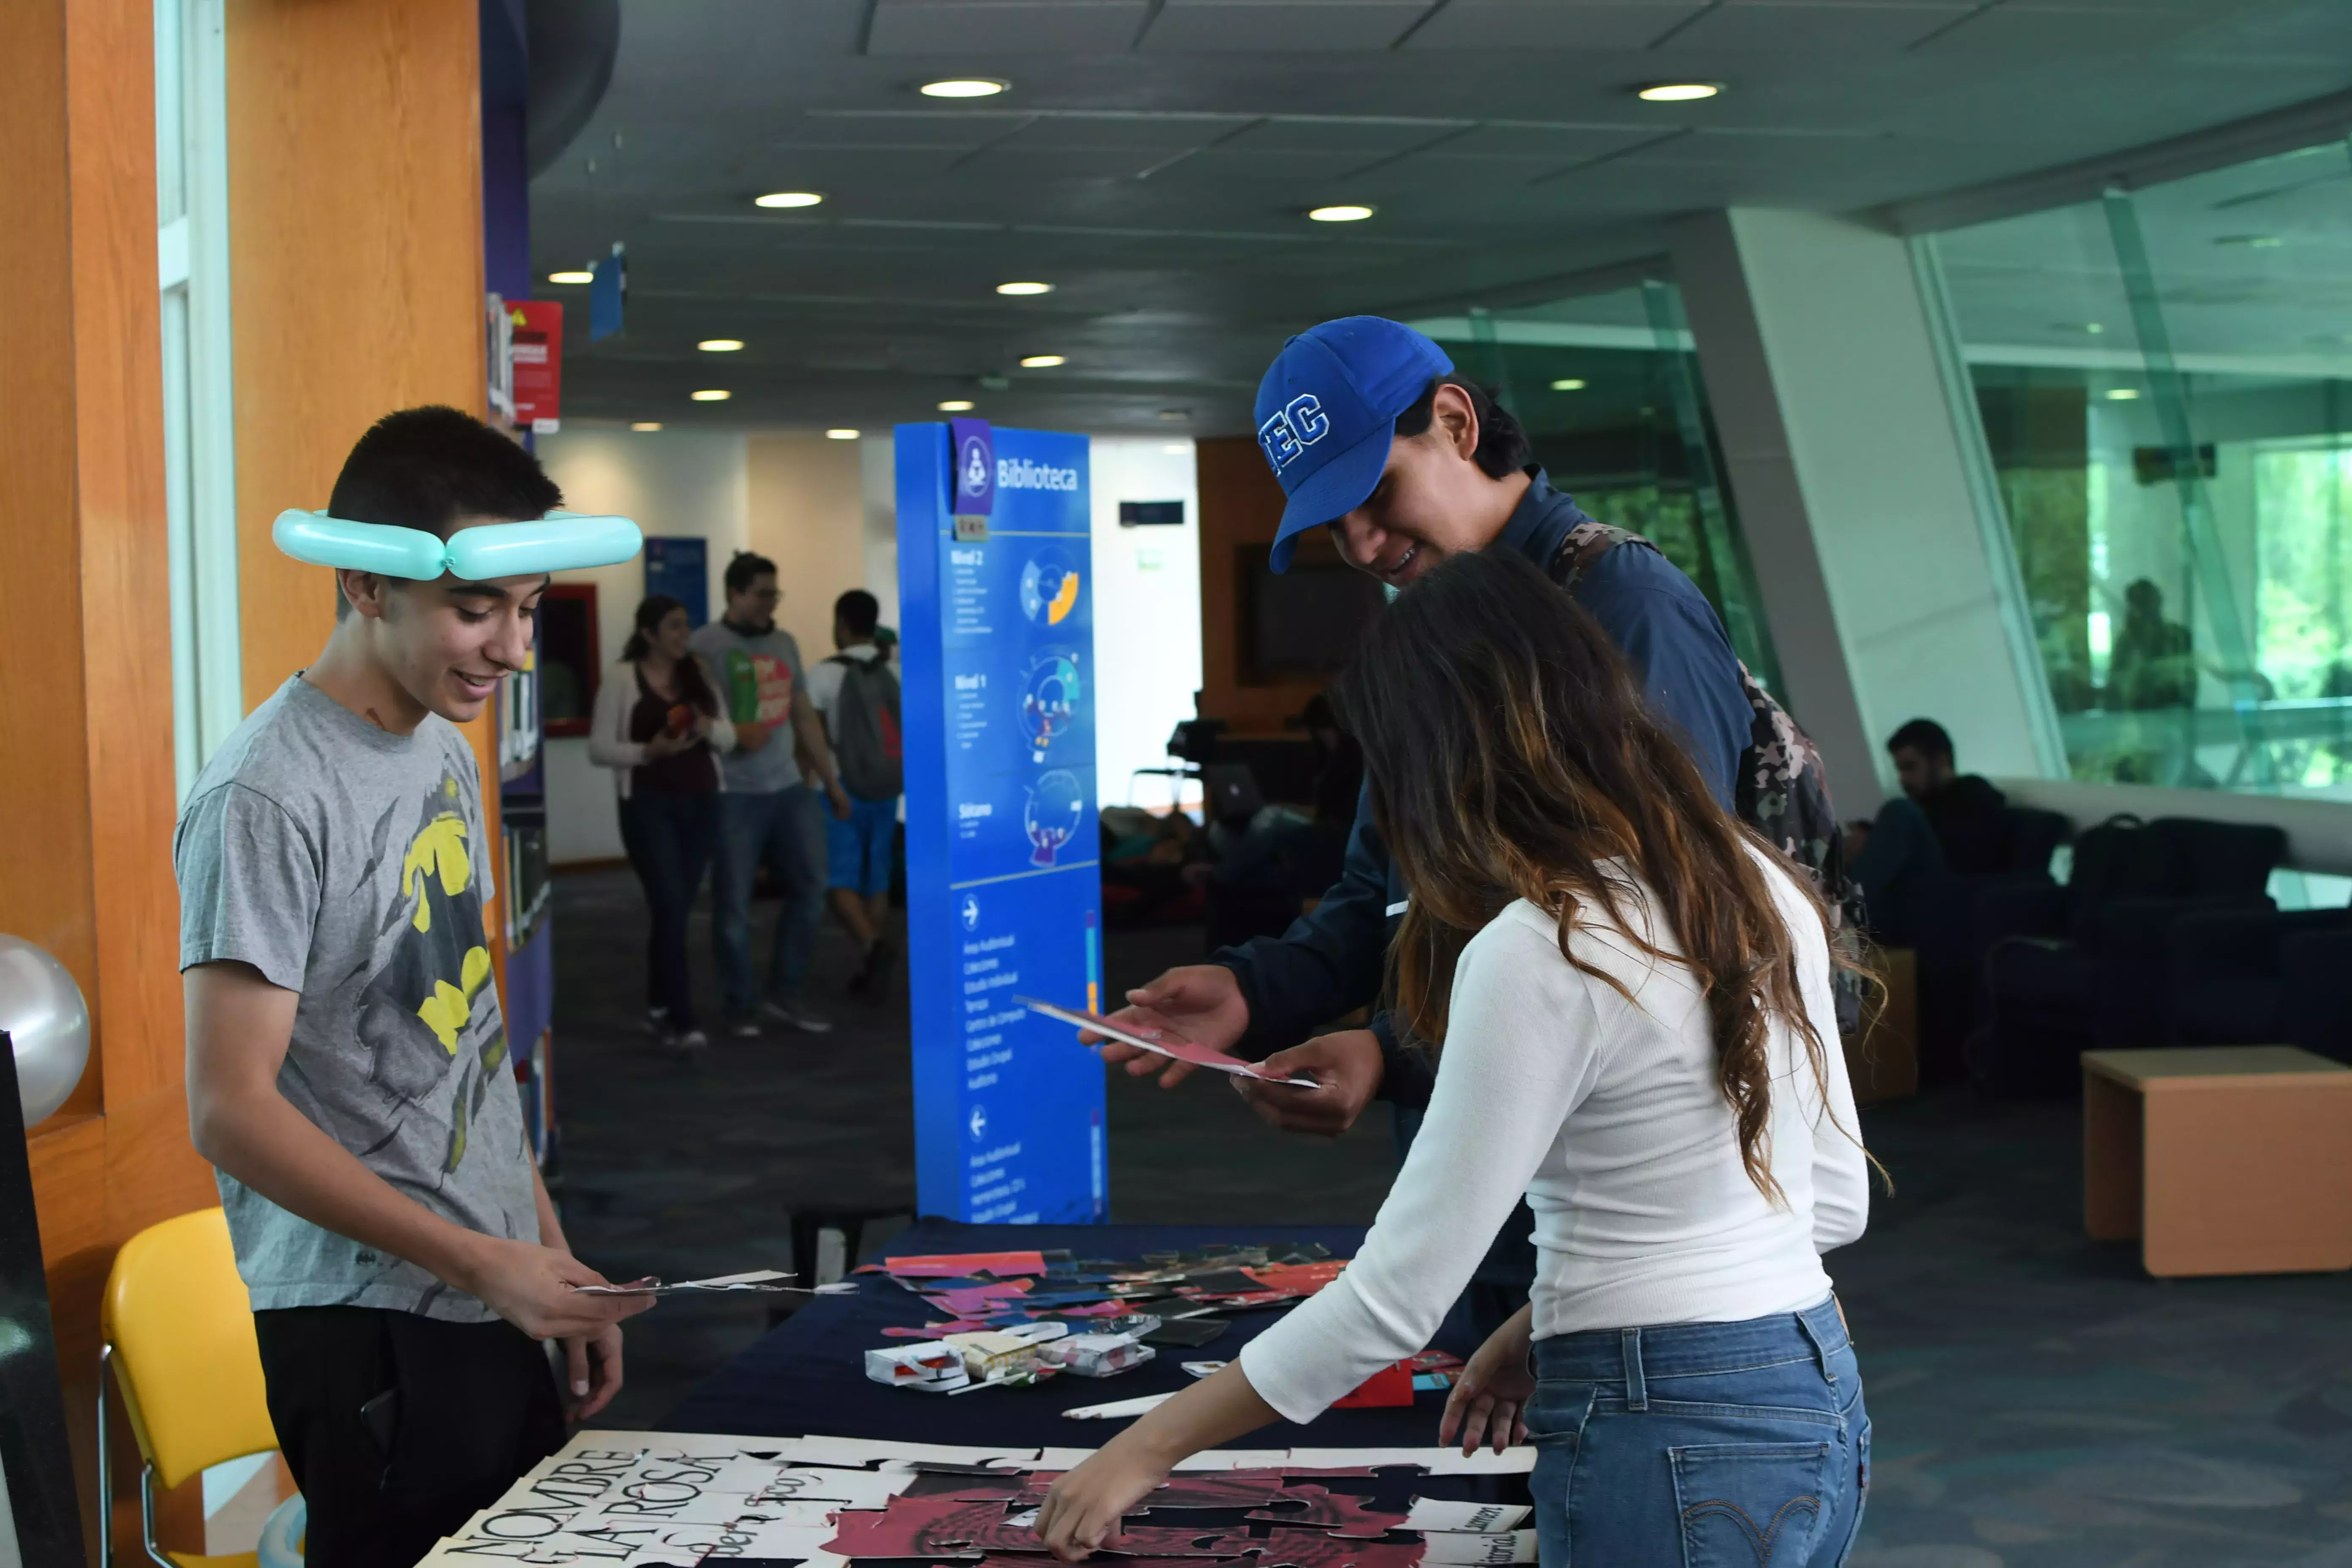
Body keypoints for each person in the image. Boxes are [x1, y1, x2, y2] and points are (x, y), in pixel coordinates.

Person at [1041, 551, 1870, 1568]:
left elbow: (1393, 1300)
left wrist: (1139, 1448)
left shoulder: (1540, 947)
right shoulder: (1756, 882)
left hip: (1666, 1439)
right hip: (1816, 1398)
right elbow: (1831, 1205)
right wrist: (1542, 1324)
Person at [1089, 317, 1849, 1335]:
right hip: (1479, 1186)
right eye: (1330, 520)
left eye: (1372, 492)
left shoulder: (1624, 611)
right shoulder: (1432, 626)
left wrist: (1385, 1051)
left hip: (1616, 1224)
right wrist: (1253, 988)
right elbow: (1387, 891)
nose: (1359, 544)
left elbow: (1652, 954)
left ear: (1453, 421)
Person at [177, 407, 652, 1566]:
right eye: (476, 609)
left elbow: (470, 1037)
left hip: (484, 1285)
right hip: (368, 1320)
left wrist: (542, 1249)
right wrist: (480, 1262)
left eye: (528, 610)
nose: (511, 650)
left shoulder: (440, 745)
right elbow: (228, 1108)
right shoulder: (268, 794)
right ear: (366, 584)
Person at [689, 552, 853, 1038]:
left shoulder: (784, 642)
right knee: (733, 904)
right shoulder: (704, 646)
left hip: (788, 788)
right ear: (734, 594)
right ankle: (740, 1005)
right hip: (732, 793)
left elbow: (803, 714)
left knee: (812, 886)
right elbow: (694, 719)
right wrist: (731, 731)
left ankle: (786, 992)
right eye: (762, 594)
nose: (770, 603)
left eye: (774, 594)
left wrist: (831, 780)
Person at [589, 595, 736, 1053]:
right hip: (648, 805)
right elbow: (599, 748)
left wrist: (709, 726)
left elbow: (729, 739)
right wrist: (647, 753)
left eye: (685, 625)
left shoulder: (700, 675)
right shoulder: (622, 678)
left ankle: (658, 1002)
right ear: (649, 634)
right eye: (673, 627)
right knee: (672, 905)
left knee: (674, 911)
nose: (683, 634)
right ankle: (680, 1017)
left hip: (704, 801)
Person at [803, 589, 902, 999]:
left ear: (841, 623)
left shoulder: (825, 674)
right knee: (875, 879)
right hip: (887, 786)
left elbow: (807, 734)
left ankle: (873, 947)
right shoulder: (894, 671)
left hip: (841, 787)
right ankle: (871, 964)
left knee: (836, 880)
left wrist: (817, 782)